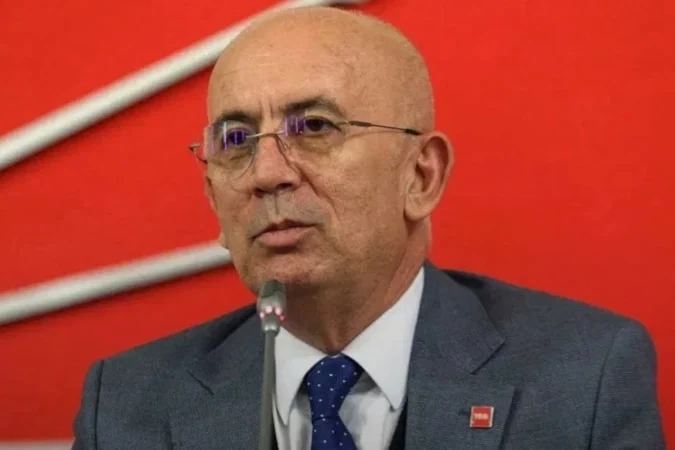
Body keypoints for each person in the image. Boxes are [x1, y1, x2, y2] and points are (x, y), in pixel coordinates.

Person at [72, 6, 665, 450]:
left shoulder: (582, 379)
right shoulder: (125, 407)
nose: (267, 173)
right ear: (211, 195)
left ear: (421, 176)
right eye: (235, 140)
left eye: (315, 127)